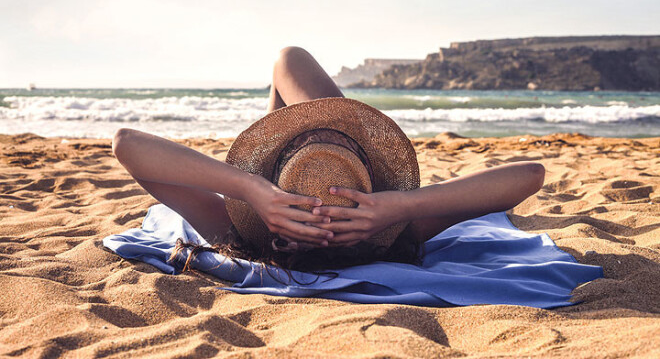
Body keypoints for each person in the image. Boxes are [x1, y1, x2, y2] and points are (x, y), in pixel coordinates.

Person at [112, 46, 545, 271]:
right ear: (371, 179)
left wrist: (250, 189)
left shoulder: (248, 231)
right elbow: (530, 175)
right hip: (361, 210)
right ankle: (312, 144)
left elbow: (126, 144)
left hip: (271, 200)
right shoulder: (394, 230)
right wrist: (402, 206)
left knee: (286, 62)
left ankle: (295, 147)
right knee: (289, 65)